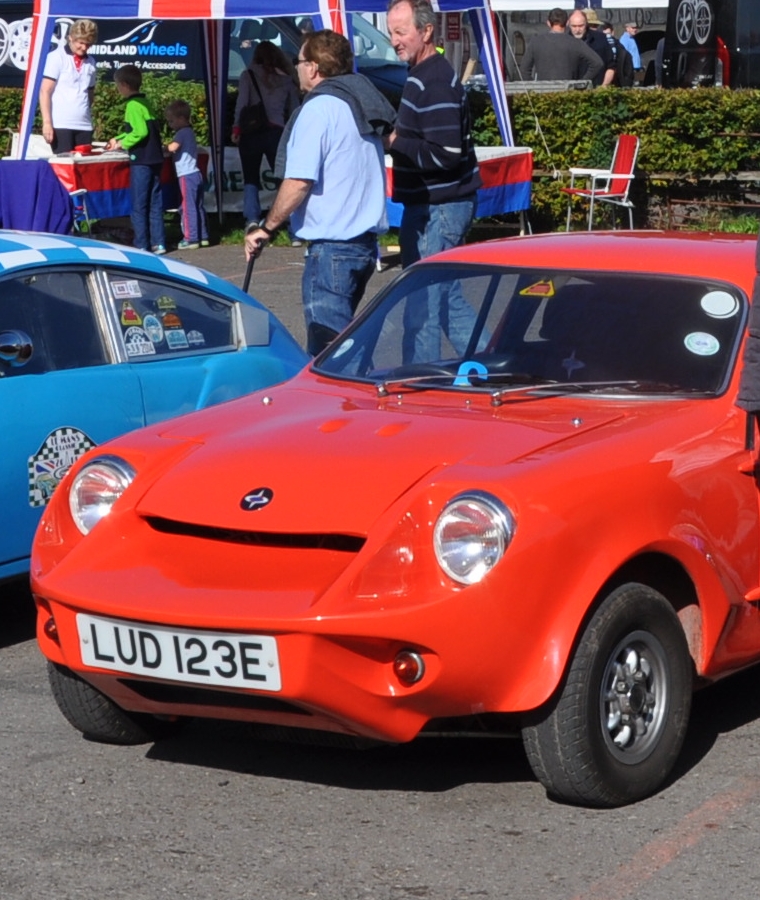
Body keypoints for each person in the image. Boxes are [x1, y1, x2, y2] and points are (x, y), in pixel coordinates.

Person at [244, 30, 395, 356]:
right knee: (344, 347)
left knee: (330, 355)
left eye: (298, 62)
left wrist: (266, 229)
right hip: (363, 245)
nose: (295, 68)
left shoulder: (319, 109)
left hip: (332, 250)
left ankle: (346, 405)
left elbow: (299, 181)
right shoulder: (358, 103)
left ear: (313, 68)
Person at [385, 0, 482, 362]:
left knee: (424, 307)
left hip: (439, 207)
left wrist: (395, 142)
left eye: (401, 31)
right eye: (391, 31)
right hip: (434, 206)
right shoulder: (423, 73)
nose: (394, 40)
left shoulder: (435, 79)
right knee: (445, 302)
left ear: (426, 32)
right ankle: (492, 366)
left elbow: (446, 153)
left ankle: (420, 386)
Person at [232, 41, 300, 228]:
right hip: (277, 132)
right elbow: (295, 109)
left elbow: (242, 104)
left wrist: (236, 128)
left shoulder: (248, 75)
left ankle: (252, 220)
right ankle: (292, 223)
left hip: (251, 131)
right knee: (283, 178)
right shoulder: (286, 79)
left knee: (251, 178)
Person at [105, 65, 166, 255]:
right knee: (155, 203)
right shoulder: (146, 103)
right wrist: (120, 138)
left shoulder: (132, 105)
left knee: (138, 205)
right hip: (156, 158)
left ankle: (141, 244)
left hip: (141, 161)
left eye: (117, 85)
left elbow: (139, 132)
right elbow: (139, 130)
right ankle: (159, 243)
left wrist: (123, 144)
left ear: (123, 85)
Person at [39, 19, 98, 153]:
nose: (84, 47)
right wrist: (47, 123)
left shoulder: (91, 62)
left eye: (88, 44)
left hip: (84, 125)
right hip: (61, 124)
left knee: (84, 170)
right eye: (81, 43)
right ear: (70, 38)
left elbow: (90, 92)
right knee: (64, 169)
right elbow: (45, 91)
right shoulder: (56, 57)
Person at [164, 100, 209, 250]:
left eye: (171, 121)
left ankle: (191, 238)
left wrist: (162, 147)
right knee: (198, 206)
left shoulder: (181, 133)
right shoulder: (190, 132)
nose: (170, 125)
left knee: (187, 207)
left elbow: (172, 148)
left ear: (182, 119)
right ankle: (203, 236)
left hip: (186, 174)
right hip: (196, 173)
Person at [521, 8, 602, 83]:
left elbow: (524, 70)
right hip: (568, 91)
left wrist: (534, 87)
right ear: (567, 23)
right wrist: (582, 82)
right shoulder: (575, 43)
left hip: (543, 93)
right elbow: (597, 63)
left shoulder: (536, 42)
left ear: (548, 23)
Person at [568, 9, 615, 87]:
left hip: (596, 88)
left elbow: (611, 66)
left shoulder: (601, 39)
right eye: (574, 26)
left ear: (586, 24)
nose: (577, 30)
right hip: (570, 89)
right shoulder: (565, 40)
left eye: (580, 26)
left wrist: (604, 86)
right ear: (568, 24)